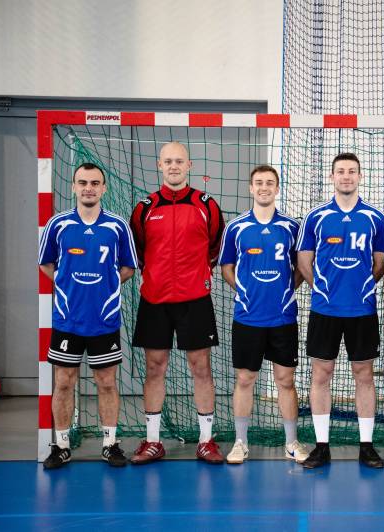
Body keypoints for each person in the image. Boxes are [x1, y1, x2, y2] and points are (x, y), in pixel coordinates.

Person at [128, 142, 225, 465]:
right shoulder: (144, 208)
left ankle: (206, 441)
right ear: (159, 165)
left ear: (189, 165)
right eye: (168, 161)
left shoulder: (206, 205)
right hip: (154, 299)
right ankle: (153, 441)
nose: (173, 166)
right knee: (155, 368)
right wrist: (156, 276)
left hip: (195, 299)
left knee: (201, 368)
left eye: (179, 161)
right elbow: (138, 250)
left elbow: (216, 245)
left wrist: (197, 274)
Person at [38, 163, 137, 469]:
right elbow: (46, 264)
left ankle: (110, 444)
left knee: (106, 382)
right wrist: (68, 286)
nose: (89, 188)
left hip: (104, 319)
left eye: (95, 183)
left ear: (103, 188)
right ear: (73, 186)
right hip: (67, 319)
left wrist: (105, 287)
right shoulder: (58, 225)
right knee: (63, 382)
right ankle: (61, 446)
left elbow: (128, 267)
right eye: (83, 182)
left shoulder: (118, 226)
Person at [296, 153, 384, 469]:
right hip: (325, 309)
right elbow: (304, 260)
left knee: (364, 374)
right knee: (321, 374)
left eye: (352, 171)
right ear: (332, 176)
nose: (346, 176)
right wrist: (321, 288)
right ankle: (322, 446)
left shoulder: (375, 217)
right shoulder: (316, 217)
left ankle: (367, 446)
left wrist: (364, 286)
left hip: (362, 309)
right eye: (341, 171)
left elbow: (380, 263)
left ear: (360, 176)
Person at [219, 165, 310, 465]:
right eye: (258, 182)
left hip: (283, 317)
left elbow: (302, 266)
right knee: (245, 379)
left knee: (285, 380)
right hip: (248, 317)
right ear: (251, 187)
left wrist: (287, 290)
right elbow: (226, 267)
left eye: (270, 183)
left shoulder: (292, 227)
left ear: (277, 188)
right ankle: (240, 442)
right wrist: (244, 291)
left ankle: (291, 442)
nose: (264, 187)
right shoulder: (236, 227)